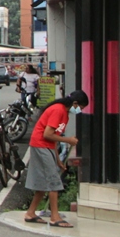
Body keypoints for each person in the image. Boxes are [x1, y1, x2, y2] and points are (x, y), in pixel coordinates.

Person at [23, 90, 89, 228]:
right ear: (75, 103)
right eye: (80, 108)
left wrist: (57, 159)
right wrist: (68, 140)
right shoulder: (58, 111)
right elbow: (48, 134)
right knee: (53, 181)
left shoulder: (64, 114)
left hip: (46, 146)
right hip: (41, 145)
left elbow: (53, 139)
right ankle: (54, 217)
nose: (80, 111)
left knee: (42, 182)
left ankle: (30, 213)